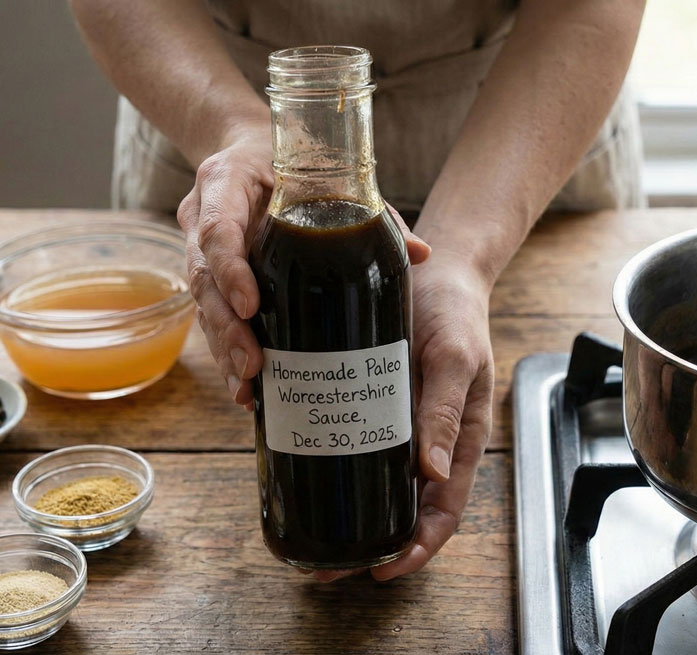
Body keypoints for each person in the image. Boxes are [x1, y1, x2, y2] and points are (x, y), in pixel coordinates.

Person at [70, 0, 646, 581]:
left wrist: (461, 261)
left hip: (527, 121)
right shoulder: (275, 235)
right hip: (212, 99)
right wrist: (235, 128)